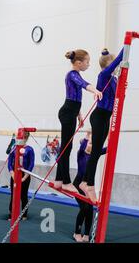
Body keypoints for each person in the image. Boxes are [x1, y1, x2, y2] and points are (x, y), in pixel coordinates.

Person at [54, 50, 102, 193]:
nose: (88, 64)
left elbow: (75, 97)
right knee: (66, 148)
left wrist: (79, 115)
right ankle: (66, 182)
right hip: (67, 112)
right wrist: (95, 90)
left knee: (65, 147)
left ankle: (58, 180)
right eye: (87, 62)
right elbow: (83, 84)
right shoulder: (72, 74)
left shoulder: (75, 74)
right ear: (78, 62)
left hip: (71, 112)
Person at [80, 48, 123, 203]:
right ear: (108, 64)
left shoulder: (114, 79)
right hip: (99, 116)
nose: (116, 66)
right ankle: (88, 183)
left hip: (106, 117)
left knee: (97, 152)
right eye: (113, 64)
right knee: (96, 150)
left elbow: (118, 96)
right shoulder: (103, 75)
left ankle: (86, 181)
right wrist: (128, 46)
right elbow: (118, 61)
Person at [72, 131, 106, 242]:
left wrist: (112, 136)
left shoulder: (94, 155)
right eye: (90, 143)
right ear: (85, 143)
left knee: (90, 209)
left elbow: (107, 149)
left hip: (88, 186)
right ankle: (77, 233)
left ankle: (86, 234)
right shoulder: (81, 153)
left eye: (93, 144)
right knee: (84, 207)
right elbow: (83, 146)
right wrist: (87, 137)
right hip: (78, 184)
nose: (91, 145)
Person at [7, 132, 34, 221]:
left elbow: (31, 165)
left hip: (25, 174)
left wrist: (24, 178)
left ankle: (24, 214)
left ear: (26, 138)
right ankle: (12, 214)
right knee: (13, 195)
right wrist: (13, 175)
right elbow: (10, 163)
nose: (22, 140)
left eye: (24, 138)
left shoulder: (29, 149)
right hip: (15, 174)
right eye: (21, 138)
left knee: (23, 195)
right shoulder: (14, 148)